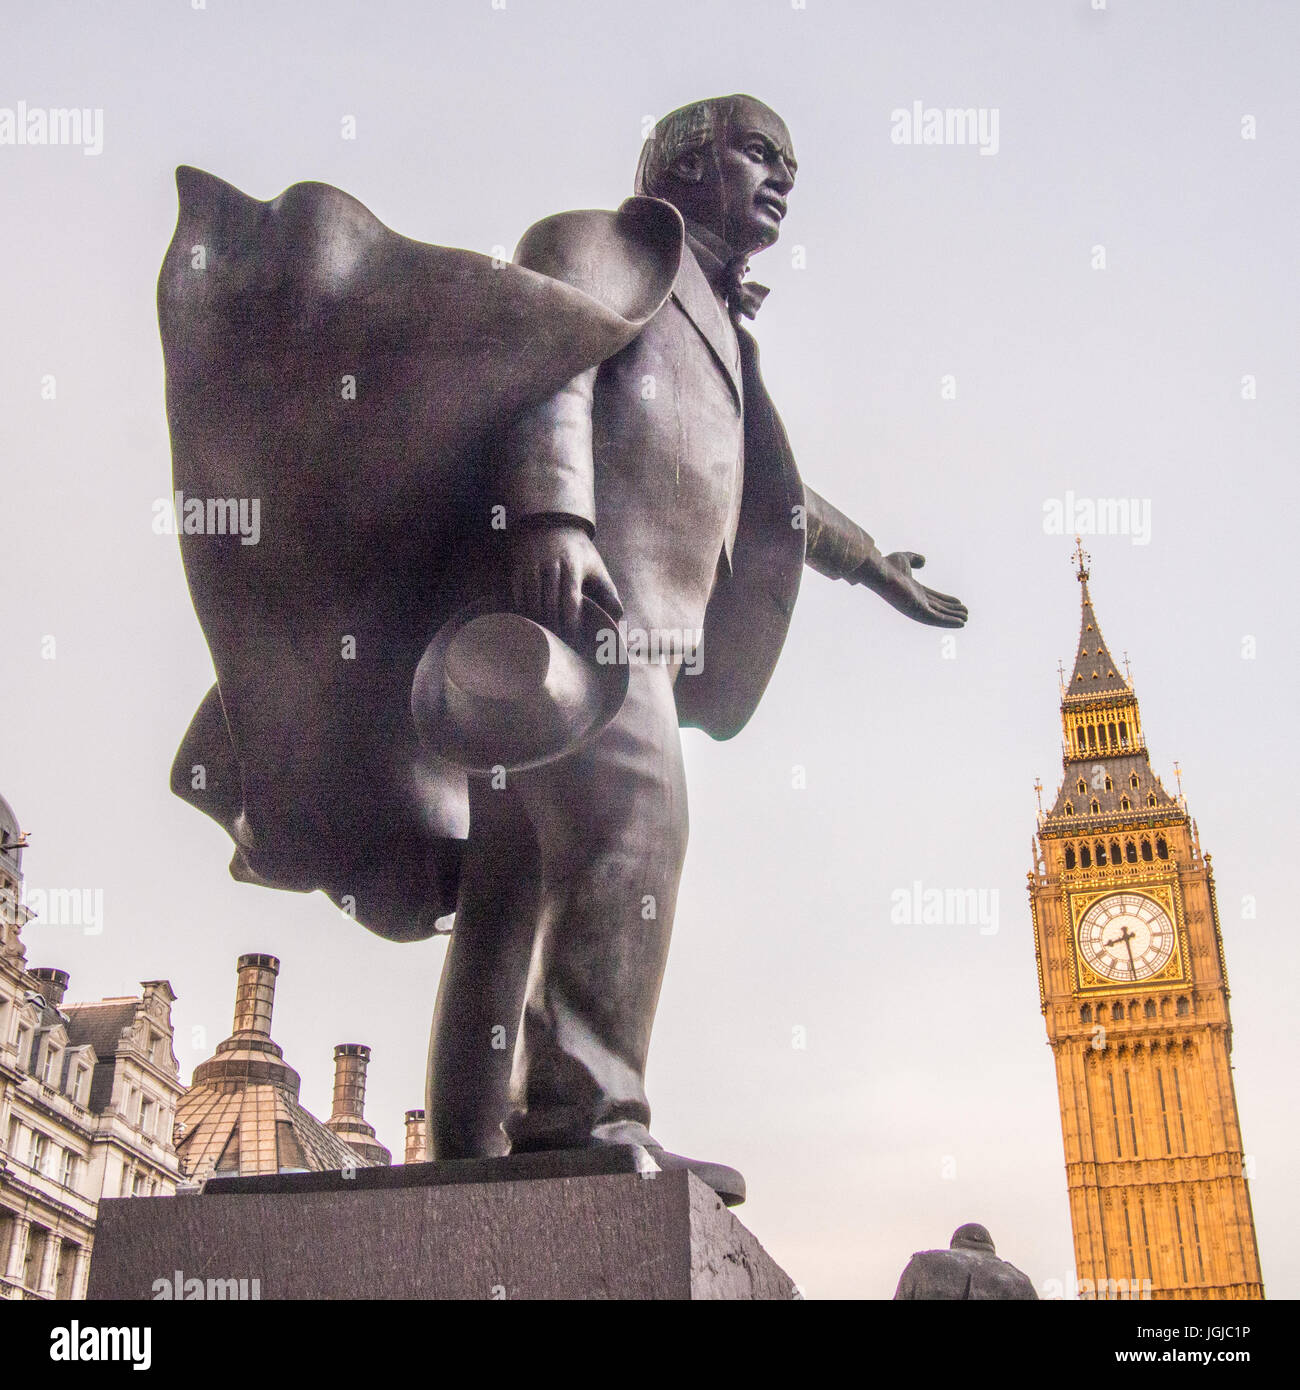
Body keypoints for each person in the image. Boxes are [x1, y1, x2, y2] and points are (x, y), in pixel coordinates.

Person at [425, 95, 968, 1196]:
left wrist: (869, 564)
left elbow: (769, 498)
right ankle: (586, 1118)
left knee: (509, 887)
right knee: (632, 830)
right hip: (584, 612)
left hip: (617, 626)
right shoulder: (596, 244)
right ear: (683, 156)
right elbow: (545, 364)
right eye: (760, 154)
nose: (781, 179)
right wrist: (553, 519)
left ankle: (466, 1144)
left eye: (791, 168)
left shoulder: (719, 320)